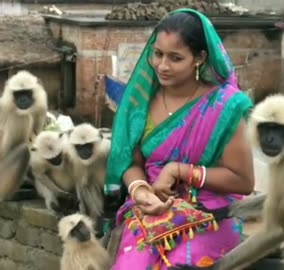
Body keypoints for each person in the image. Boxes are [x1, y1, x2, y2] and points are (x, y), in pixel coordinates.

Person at [104, 8, 255, 270]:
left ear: (199, 58)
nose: (162, 65)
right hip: (151, 211)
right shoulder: (142, 101)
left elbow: (243, 181)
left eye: (175, 58)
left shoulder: (224, 106)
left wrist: (180, 171)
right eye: (158, 54)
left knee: (181, 265)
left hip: (209, 214)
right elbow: (131, 160)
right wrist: (140, 191)